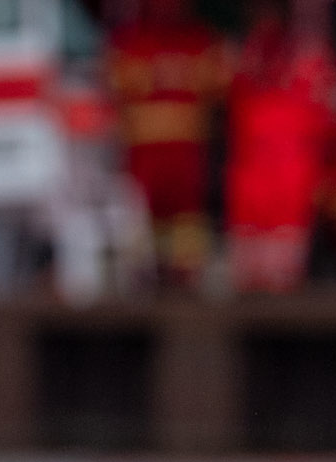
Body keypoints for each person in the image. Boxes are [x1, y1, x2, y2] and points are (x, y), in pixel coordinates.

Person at [108, 0, 228, 290]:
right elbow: (114, 91)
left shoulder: (200, 40)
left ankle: (186, 288)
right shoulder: (129, 40)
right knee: (140, 236)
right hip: (144, 158)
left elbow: (221, 87)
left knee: (186, 234)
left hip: (186, 158)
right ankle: (142, 288)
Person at [224, 0, 334, 293]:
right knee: (249, 276)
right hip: (253, 178)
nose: (263, 18)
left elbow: (320, 118)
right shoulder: (244, 54)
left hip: (287, 178)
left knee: (283, 276)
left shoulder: (308, 57)